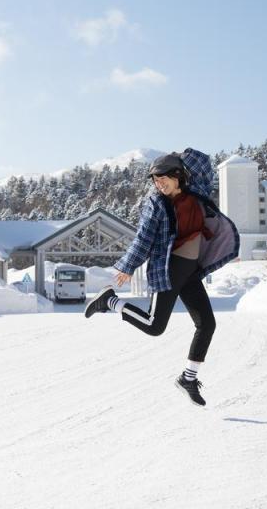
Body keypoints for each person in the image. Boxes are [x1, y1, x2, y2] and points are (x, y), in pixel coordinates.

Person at [84, 149, 240, 406]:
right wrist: (127, 266)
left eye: (163, 178)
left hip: (191, 271)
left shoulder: (196, 189)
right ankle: (109, 301)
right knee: (155, 326)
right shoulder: (155, 203)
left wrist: (180, 155)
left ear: (178, 176)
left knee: (207, 324)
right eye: (155, 180)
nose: (159, 184)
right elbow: (143, 238)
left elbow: (202, 162)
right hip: (169, 269)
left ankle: (188, 379)